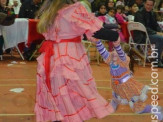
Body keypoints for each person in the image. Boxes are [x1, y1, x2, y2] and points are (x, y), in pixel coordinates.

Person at [34, 0, 119, 122]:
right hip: (69, 57)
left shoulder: (48, 10)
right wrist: (115, 36)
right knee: (75, 94)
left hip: (52, 56)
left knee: (58, 95)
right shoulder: (74, 10)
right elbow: (96, 30)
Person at [95, 38, 163, 121]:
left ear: (124, 54)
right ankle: (110, 110)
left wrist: (117, 46)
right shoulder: (111, 59)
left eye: (116, 51)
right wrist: (97, 42)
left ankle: (156, 109)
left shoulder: (124, 60)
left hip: (128, 87)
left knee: (138, 108)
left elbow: (121, 53)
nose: (113, 52)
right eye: (113, 50)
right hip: (116, 86)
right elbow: (103, 52)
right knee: (115, 99)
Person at [134, 0, 163, 67]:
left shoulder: (152, 13)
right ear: (144, 4)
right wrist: (156, 32)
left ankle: (159, 58)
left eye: (151, 5)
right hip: (141, 36)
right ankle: (156, 61)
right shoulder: (139, 13)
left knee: (160, 37)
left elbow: (156, 25)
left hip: (149, 34)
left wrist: (161, 32)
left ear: (153, 6)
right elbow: (144, 28)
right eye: (147, 4)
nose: (149, 7)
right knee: (160, 39)